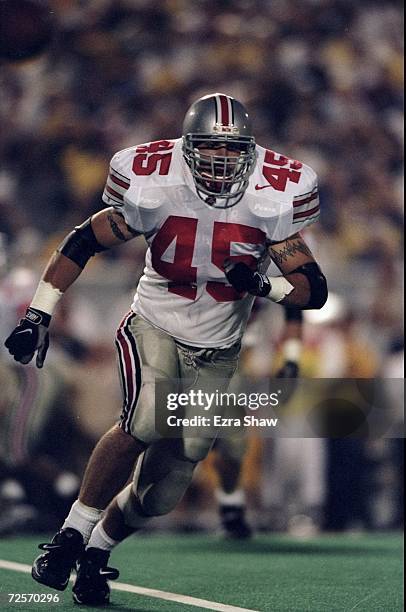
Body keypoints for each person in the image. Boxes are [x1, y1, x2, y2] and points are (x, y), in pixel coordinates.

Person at [4, 93, 327, 605]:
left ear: (250, 152)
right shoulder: (156, 179)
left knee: (169, 484)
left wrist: (262, 286)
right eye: (209, 150)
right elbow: (83, 240)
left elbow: (313, 290)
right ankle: (68, 536)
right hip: (153, 323)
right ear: (186, 147)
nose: (221, 163)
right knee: (147, 419)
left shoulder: (273, 193)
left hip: (218, 348)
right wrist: (38, 313)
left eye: (232, 151)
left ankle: (98, 549)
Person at [213, 305, 303, 539]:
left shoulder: (269, 299)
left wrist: (291, 360)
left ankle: (234, 504)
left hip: (246, 371)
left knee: (237, 444)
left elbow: (297, 304)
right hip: (205, 350)